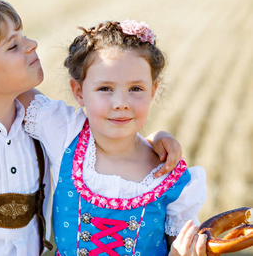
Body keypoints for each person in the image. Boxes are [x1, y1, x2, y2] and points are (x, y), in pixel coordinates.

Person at [0, 0, 183, 256]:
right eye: (13, 45)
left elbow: (112, 135)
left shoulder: (40, 125)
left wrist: (154, 139)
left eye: (23, 37)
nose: (32, 44)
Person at [20, 20, 207, 255]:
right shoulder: (66, 133)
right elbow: (8, 88)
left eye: (136, 89)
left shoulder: (169, 175)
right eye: (105, 88)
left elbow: (182, 247)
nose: (121, 104)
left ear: (153, 91)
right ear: (79, 92)